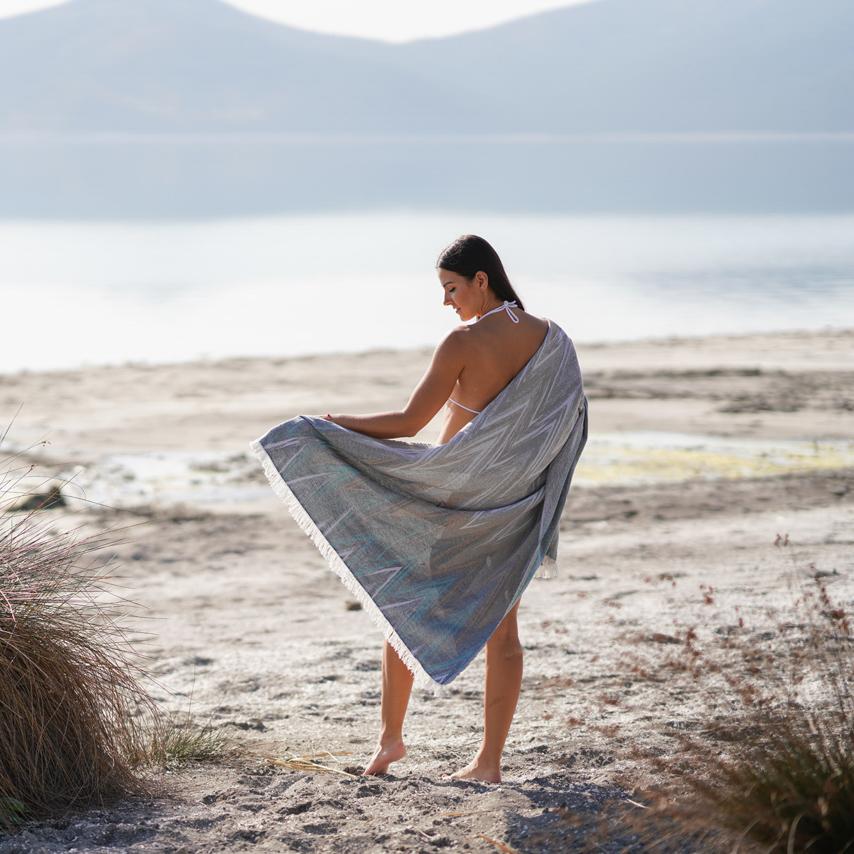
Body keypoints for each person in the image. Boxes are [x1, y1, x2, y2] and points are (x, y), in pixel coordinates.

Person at [320, 235, 550, 783]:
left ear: (480, 280)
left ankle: (390, 741)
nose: (448, 302)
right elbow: (561, 428)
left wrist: (335, 424)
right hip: (516, 501)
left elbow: (408, 423)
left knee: (402, 609)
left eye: (451, 288)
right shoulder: (550, 338)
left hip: (455, 498)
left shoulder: (463, 342)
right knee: (504, 632)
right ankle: (489, 762)